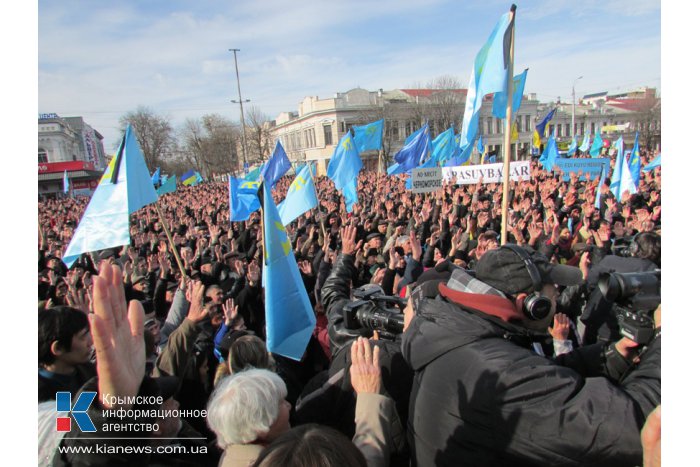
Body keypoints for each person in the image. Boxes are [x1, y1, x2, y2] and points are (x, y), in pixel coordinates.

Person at [402, 245, 661, 466]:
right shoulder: (499, 371)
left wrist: (611, 356)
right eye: (552, 289)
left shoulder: (466, 335)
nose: (558, 293)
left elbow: (543, 377)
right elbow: (636, 424)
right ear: (530, 303)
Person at [38, 306, 95, 402]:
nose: (91, 342)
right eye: (83, 337)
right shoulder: (41, 397)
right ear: (58, 348)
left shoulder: (91, 372)